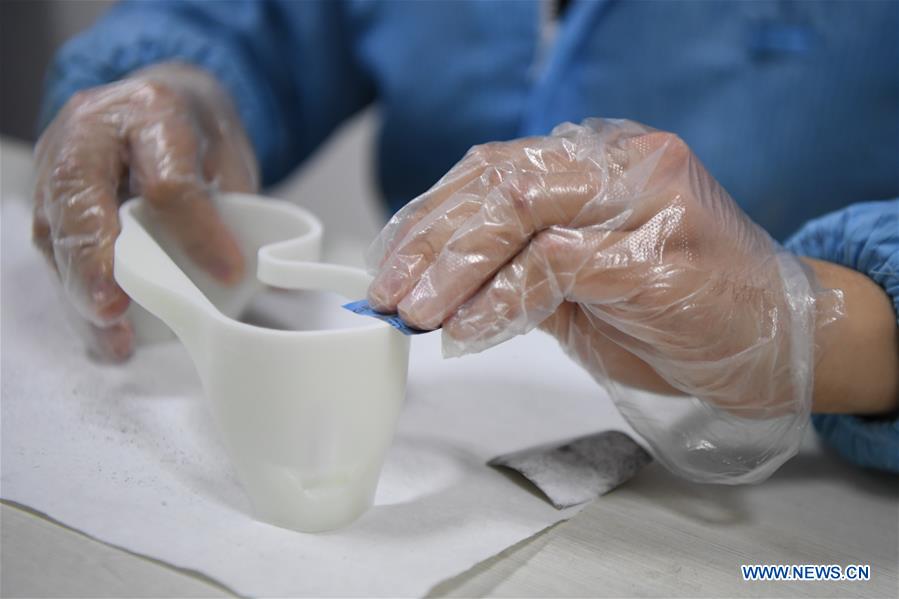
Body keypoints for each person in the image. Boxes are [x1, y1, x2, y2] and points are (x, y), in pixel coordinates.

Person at [33, 1, 897, 480]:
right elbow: (270, 19)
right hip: (453, 424)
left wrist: (817, 326)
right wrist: (183, 76)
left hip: (809, 542)